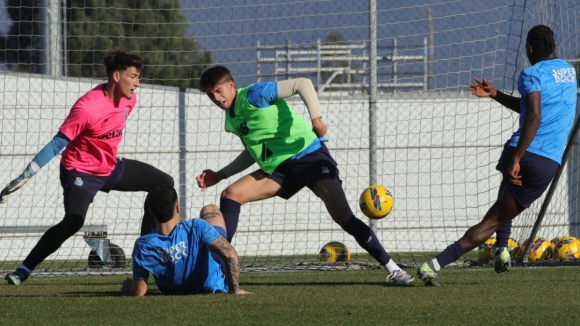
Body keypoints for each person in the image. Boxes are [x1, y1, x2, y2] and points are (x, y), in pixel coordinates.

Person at [196, 65, 415, 284]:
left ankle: (394, 270)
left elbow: (303, 84)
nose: (215, 97)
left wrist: (316, 119)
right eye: (210, 94)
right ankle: (221, 269)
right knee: (231, 194)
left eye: (218, 90)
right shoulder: (231, 120)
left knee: (344, 218)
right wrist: (219, 175)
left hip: (309, 155)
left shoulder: (255, 94)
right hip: (280, 169)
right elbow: (252, 153)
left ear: (231, 85)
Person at [417, 25, 577, 286]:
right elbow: (533, 112)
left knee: (500, 210)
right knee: (496, 217)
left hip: (523, 152)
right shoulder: (570, 73)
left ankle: (499, 250)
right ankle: (435, 265)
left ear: (530, 48)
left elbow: (533, 115)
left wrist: (516, 159)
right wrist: (495, 94)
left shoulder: (530, 74)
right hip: (543, 160)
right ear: (554, 47)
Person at [2, 49, 174, 285]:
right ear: (116, 76)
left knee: (164, 184)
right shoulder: (87, 108)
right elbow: (56, 144)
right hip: (80, 171)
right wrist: (26, 175)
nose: (138, 84)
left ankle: (145, 254)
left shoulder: (129, 100)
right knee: (74, 221)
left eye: (138, 77)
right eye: (133, 76)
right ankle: (23, 270)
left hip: (110, 167)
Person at [122, 185, 251, 295]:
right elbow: (230, 255)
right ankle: (216, 237)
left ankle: (214, 238)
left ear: (150, 211)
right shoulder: (197, 226)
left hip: (173, 290)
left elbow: (140, 291)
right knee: (210, 209)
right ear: (178, 208)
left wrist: (129, 287)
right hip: (214, 282)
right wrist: (235, 290)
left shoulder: (143, 245)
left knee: (210, 231)